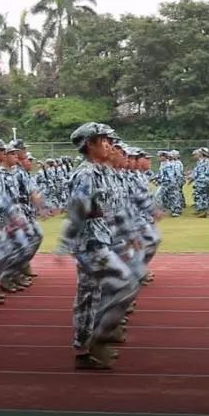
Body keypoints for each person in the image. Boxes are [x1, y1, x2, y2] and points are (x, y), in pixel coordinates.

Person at [58, 122, 138, 370]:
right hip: (90, 243)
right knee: (125, 283)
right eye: (103, 140)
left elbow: (113, 209)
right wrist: (65, 242)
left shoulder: (102, 172)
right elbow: (77, 210)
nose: (110, 144)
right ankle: (96, 340)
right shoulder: (86, 174)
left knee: (90, 295)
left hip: (103, 238)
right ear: (90, 144)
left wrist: (126, 232)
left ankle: (85, 349)